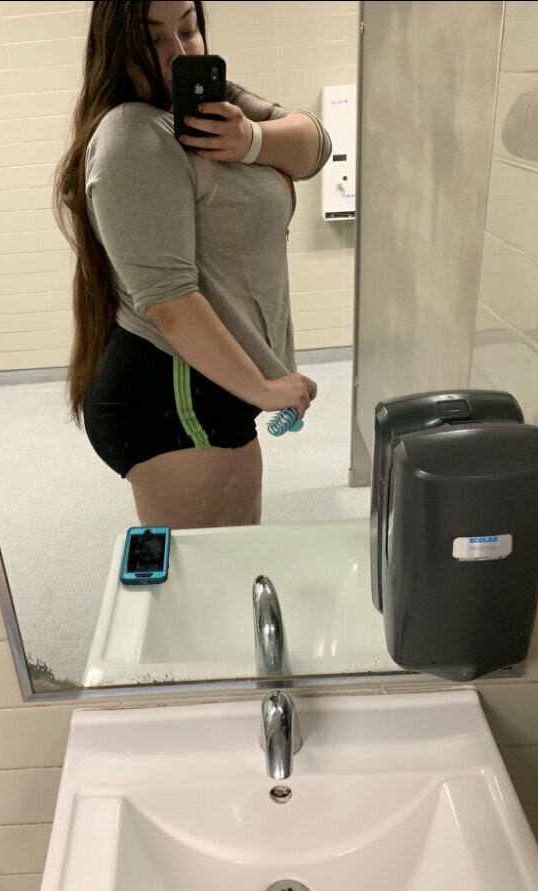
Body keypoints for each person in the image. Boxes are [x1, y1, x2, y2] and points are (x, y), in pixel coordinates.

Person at [55, 0, 332, 529]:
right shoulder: (132, 136)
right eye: (153, 38)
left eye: (188, 28)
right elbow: (170, 303)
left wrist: (251, 140)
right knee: (209, 571)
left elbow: (315, 146)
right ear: (116, 47)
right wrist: (265, 390)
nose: (178, 53)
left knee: (224, 561)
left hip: (206, 382)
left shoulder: (211, 105)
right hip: (176, 391)